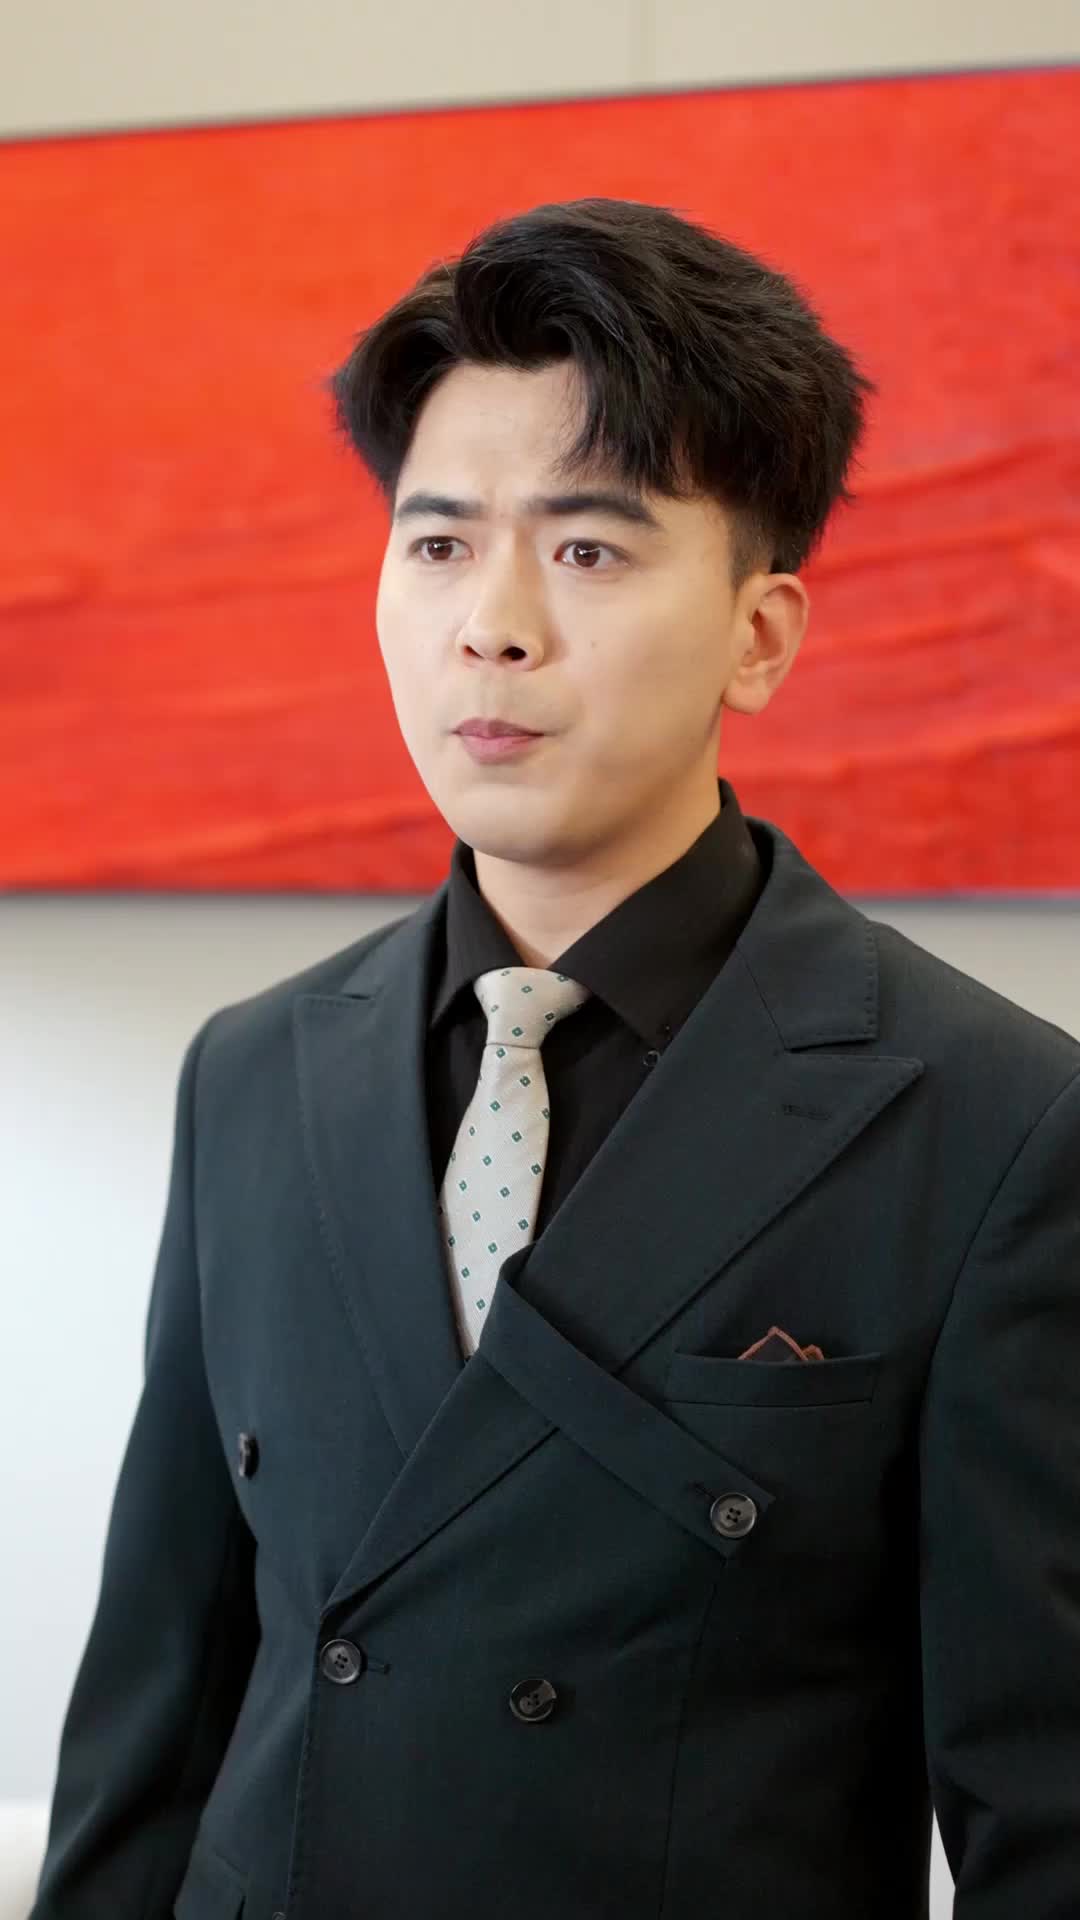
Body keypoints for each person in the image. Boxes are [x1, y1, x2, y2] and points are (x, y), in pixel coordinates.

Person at [30, 197, 1080, 1920]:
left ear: (760, 635)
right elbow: (155, 1711)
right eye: (440, 544)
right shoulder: (254, 1073)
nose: (492, 626)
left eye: (589, 551)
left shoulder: (996, 1120)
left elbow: (1049, 1811)